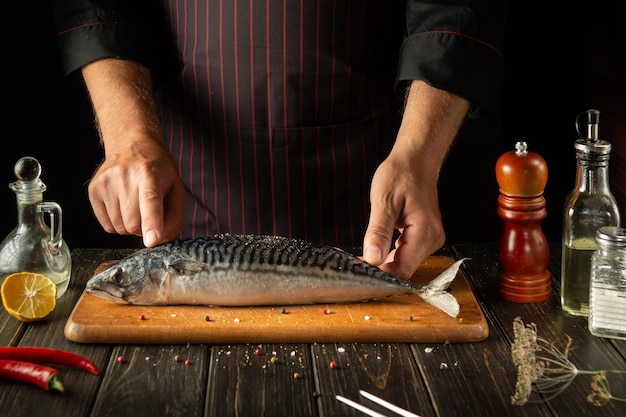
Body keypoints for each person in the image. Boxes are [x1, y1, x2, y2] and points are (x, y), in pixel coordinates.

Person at [54, 1, 504, 279]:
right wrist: (128, 137)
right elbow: (102, 5)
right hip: (188, 202)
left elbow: (452, 9)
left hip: (367, 206)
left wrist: (418, 159)